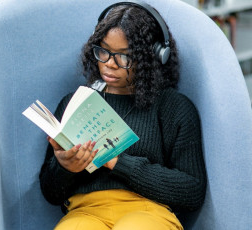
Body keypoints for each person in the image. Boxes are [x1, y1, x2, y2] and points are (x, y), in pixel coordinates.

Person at [39, 1, 207, 230]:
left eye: (124, 57)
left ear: (153, 57)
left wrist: (117, 161)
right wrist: (65, 167)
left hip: (148, 211)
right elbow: (50, 193)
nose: (109, 64)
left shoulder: (173, 108)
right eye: (103, 51)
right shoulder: (75, 104)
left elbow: (191, 190)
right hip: (84, 211)